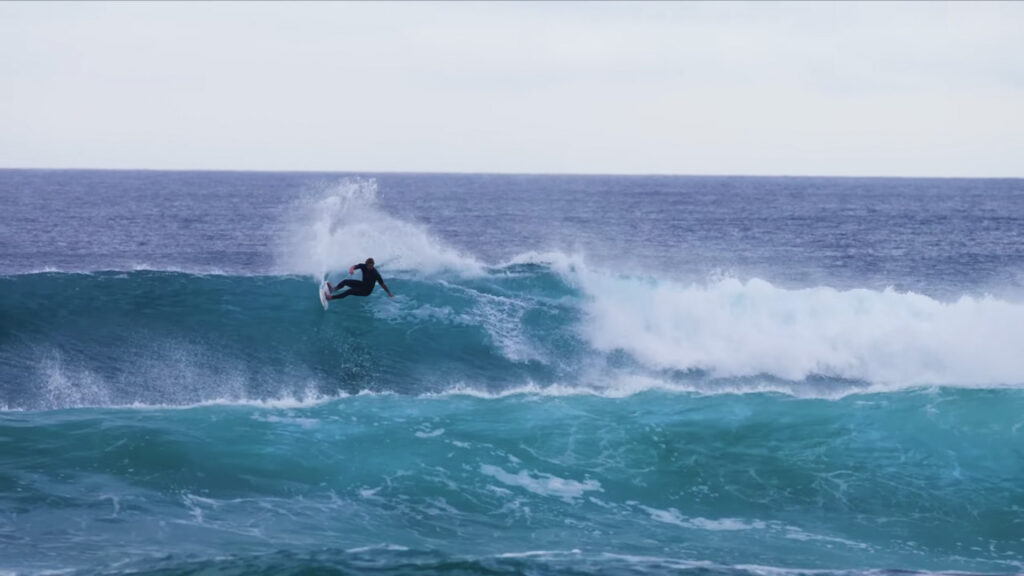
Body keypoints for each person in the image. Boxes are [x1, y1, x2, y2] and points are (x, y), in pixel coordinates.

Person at [325, 257, 394, 301]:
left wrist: (389, 293)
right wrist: (351, 270)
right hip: (362, 284)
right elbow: (354, 266)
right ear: (366, 265)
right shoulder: (363, 266)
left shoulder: (375, 274)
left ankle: (331, 298)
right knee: (345, 281)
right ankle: (333, 289)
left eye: (372, 266)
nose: (371, 268)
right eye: (369, 266)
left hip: (366, 291)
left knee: (350, 291)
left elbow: (382, 284)